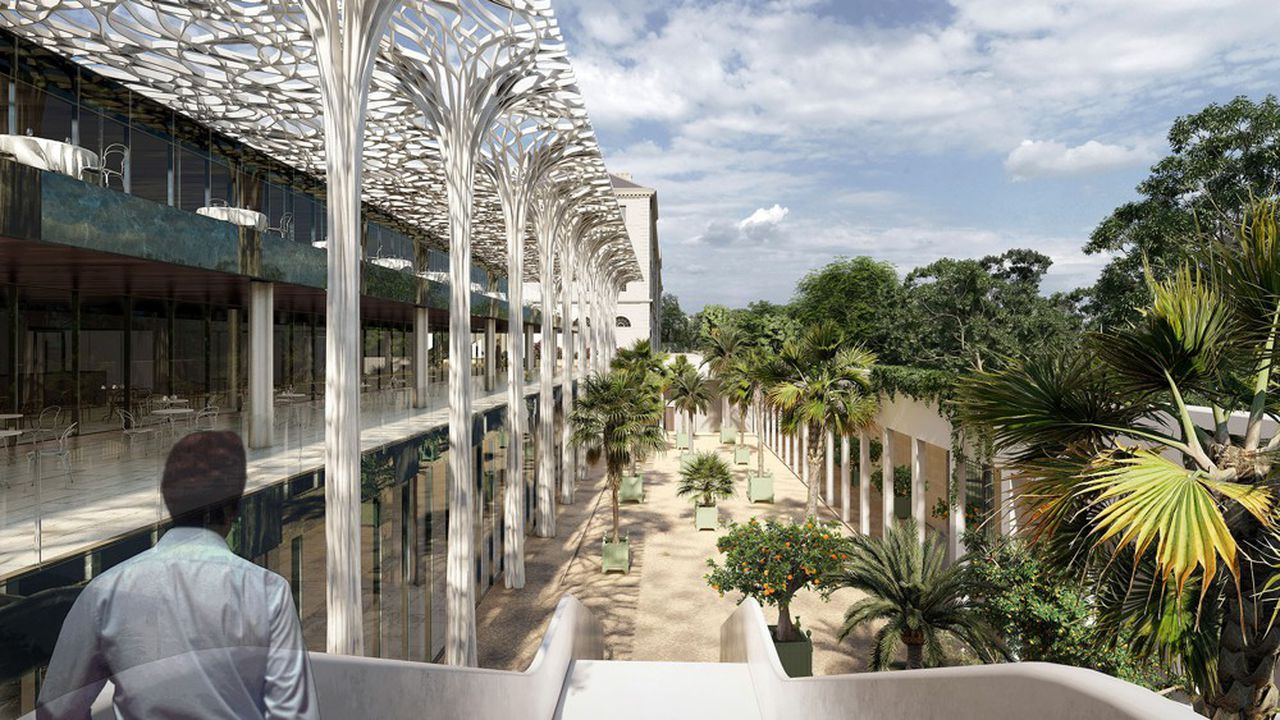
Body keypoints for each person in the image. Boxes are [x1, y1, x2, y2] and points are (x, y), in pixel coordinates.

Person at [36, 431, 317, 719]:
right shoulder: (268, 591)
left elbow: (56, 710)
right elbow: (294, 715)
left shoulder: (104, 591)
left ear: (169, 501)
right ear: (233, 509)